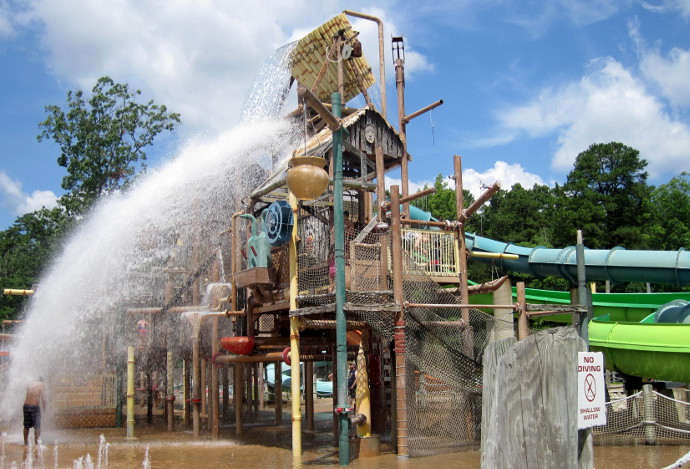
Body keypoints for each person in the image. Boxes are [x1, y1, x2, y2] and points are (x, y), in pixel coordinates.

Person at [23, 377, 46, 445]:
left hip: (26, 406)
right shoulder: (42, 384)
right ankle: (36, 442)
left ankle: (25, 442)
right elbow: (44, 398)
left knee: (26, 425)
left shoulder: (30, 384)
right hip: (34, 406)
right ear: (42, 381)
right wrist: (44, 408)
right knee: (37, 426)